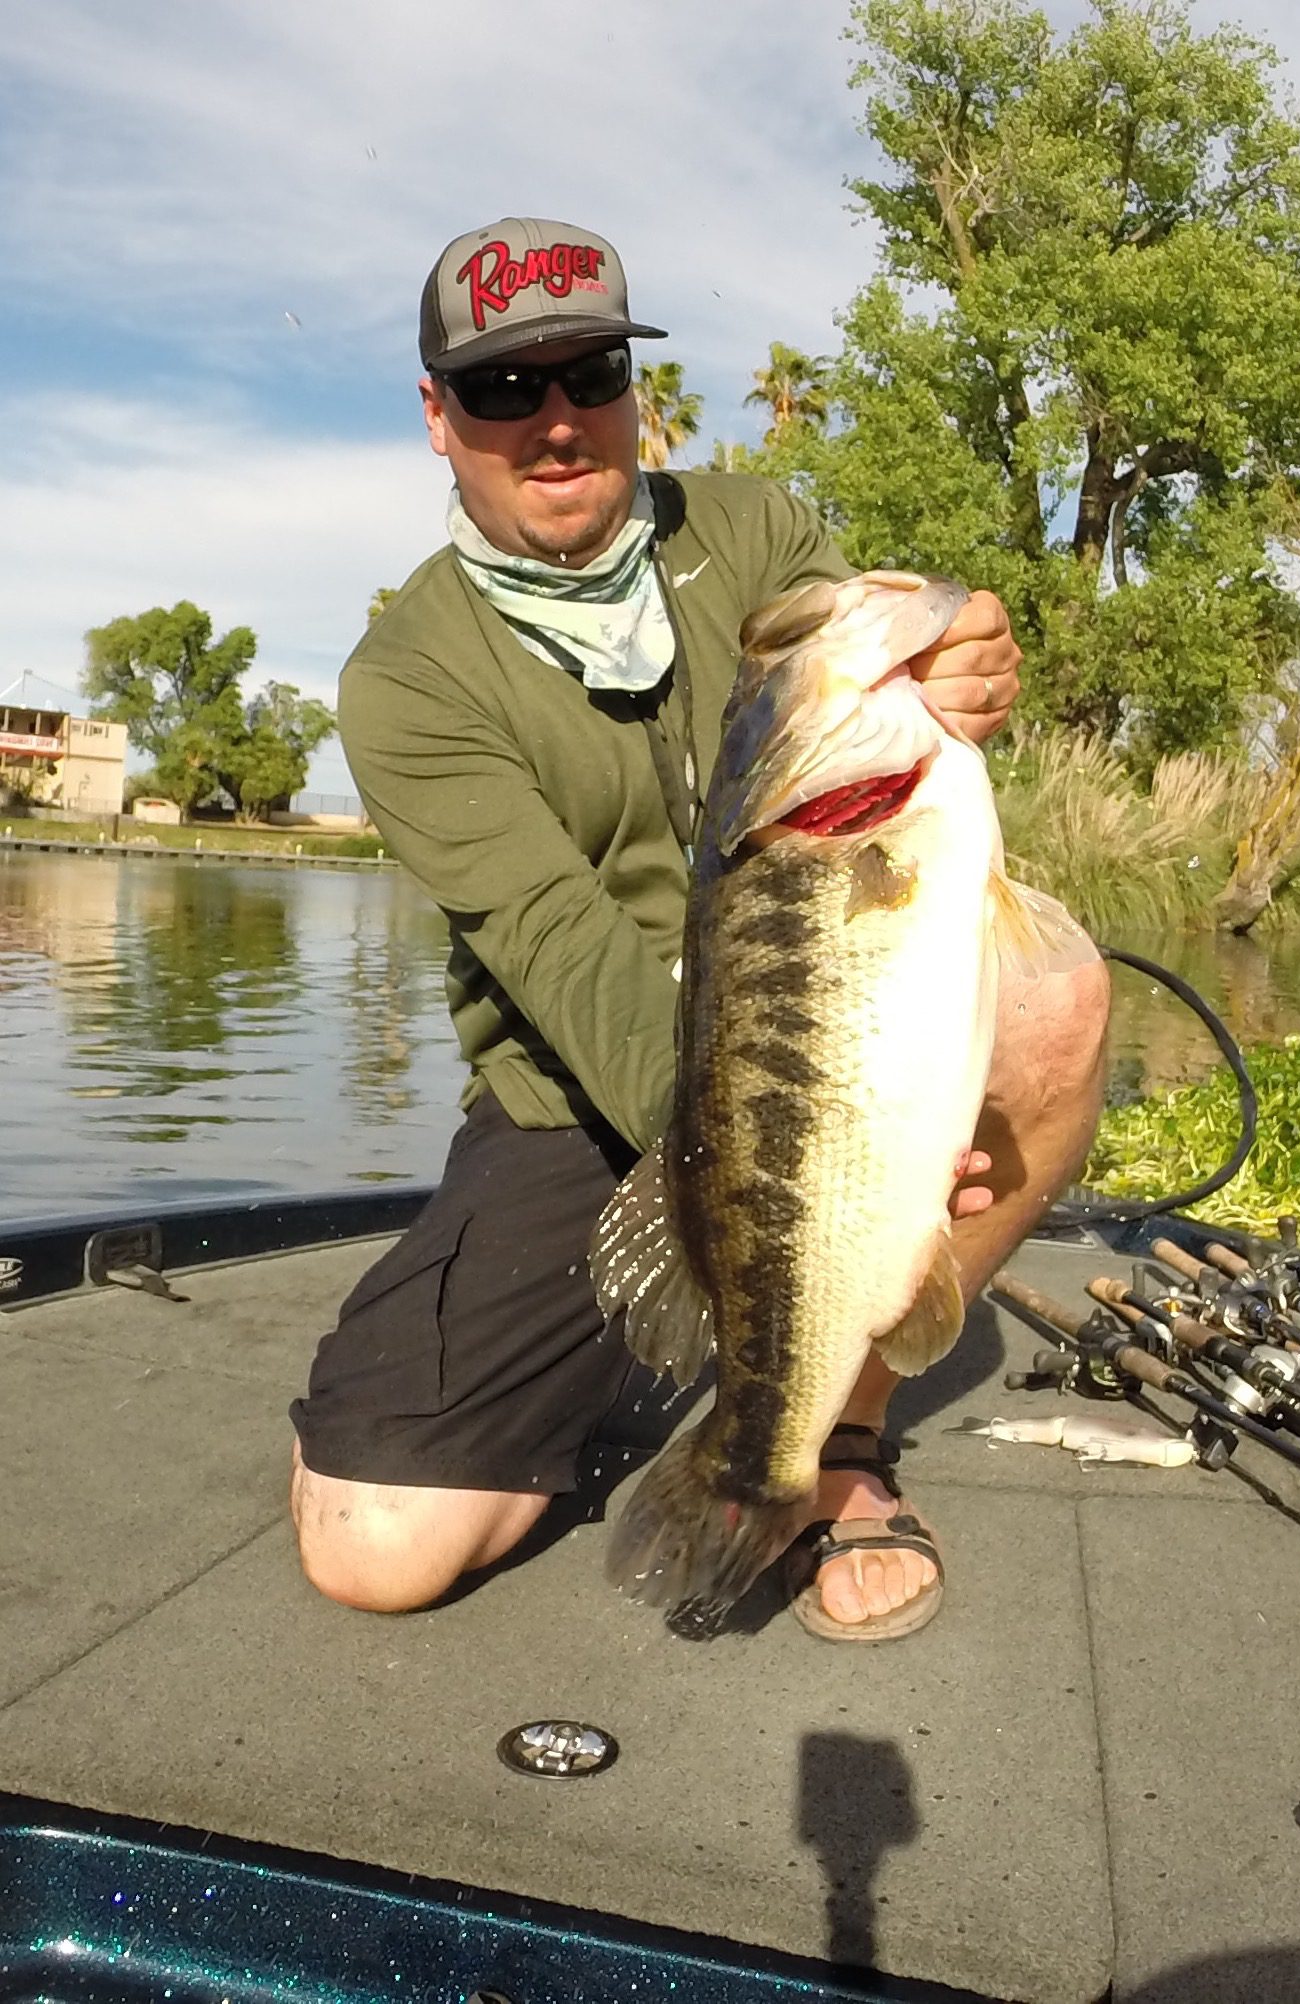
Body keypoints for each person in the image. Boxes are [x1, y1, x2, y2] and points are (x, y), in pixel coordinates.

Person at [289, 216, 1109, 1639]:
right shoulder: (408, 679)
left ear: (629, 387)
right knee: (375, 1548)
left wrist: (953, 668)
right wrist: (760, 1199)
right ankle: (720, 1353)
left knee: (1051, 999)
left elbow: (856, 664)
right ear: (439, 417)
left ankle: (834, 1437)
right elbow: (565, 960)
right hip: (583, 1095)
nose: (554, 424)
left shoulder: (754, 529)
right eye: (502, 390)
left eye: (588, 373)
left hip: (823, 1055)